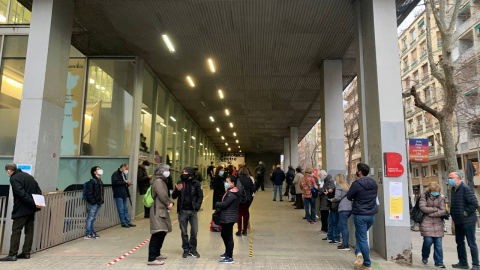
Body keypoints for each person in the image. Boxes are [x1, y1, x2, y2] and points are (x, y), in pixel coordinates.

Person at [0, 163, 42, 262]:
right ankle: (26, 253)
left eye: (7, 172)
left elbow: (21, 193)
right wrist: (37, 202)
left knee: (16, 230)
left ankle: (12, 254)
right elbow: (38, 190)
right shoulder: (29, 177)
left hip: (21, 209)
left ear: (9, 171)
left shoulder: (14, 178)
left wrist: (32, 202)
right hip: (31, 209)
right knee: (29, 230)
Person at [346, 163, 378, 270]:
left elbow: (349, 196)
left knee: (362, 237)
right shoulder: (374, 183)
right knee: (360, 235)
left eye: (356, 169)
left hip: (360, 215)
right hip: (371, 215)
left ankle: (367, 263)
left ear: (359, 172)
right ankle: (358, 253)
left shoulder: (356, 184)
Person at [449, 171, 479, 270]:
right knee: (459, 242)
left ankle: (476, 264)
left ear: (458, 178)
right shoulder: (453, 189)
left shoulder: (465, 188)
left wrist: (465, 213)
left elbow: (474, 203)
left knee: (471, 243)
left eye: (451, 177)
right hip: (458, 221)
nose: (449, 179)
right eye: (449, 177)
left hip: (468, 221)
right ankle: (463, 262)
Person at [172, 167, 204, 258]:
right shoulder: (180, 183)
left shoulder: (196, 183)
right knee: (184, 232)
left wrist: (197, 206)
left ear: (190, 173)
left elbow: (200, 195)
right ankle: (186, 249)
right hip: (183, 211)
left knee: (194, 231)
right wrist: (177, 190)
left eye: (185, 172)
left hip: (193, 211)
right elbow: (174, 196)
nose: (184, 173)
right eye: (183, 172)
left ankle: (193, 249)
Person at [147, 163, 174, 265]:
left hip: (161, 210)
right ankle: (151, 258)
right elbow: (162, 195)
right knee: (157, 233)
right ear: (161, 171)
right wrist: (168, 203)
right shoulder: (158, 181)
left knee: (162, 232)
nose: (168, 172)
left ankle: (157, 253)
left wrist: (169, 202)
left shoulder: (162, 181)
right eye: (167, 170)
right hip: (157, 210)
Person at [419, 182, 446, 268]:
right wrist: (435, 209)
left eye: (437, 191)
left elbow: (443, 211)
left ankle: (439, 262)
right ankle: (425, 256)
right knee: (428, 241)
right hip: (426, 223)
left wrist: (431, 214)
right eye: (434, 191)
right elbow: (423, 208)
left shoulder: (441, 198)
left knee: (438, 244)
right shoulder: (424, 196)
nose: (436, 192)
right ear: (430, 190)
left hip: (438, 223)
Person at [215, 175, 241, 264]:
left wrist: (217, 203)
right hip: (227, 217)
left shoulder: (232, 194)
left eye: (227, 182)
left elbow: (225, 204)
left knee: (228, 237)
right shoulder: (230, 192)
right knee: (224, 235)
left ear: (233, 183)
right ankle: (227, 252)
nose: (226, 183)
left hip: (229, 218)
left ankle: (230, 257)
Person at [330, 174, 352, 251]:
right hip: (349, 208)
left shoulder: (339, 186)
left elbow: (337, 197)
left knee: (343, 227)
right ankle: (345, 243)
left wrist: (332, 200)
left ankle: (345, 244)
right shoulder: (347, 186)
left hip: (343, 208)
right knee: (343, 226)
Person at [111, 164, 135, 228]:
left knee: (125, 209)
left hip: (124, 193)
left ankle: (128, 221)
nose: (127, 170)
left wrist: (128, 183)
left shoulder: (123, 174)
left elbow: (123, 183)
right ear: (122, 168)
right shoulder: (115, 174)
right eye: (126, 169)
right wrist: (124, 182)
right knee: (121, 209)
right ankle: (123, 222)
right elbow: (115, 183)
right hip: (118, 194)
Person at [84, 166, 105, 240]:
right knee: (90, 217)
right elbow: (89, 193)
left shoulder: (99, 181)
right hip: (94, 203)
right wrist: (93, 202)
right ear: (94, 172)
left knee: (94, 218)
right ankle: (88, 233)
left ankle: (92, 232)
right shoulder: (92, 181)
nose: (100, 170)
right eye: (98, 169)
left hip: (98, 202)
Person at [236, 167, 255, 236]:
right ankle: (245, 230)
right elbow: (253, 188)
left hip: (239, 198)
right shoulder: (249, 179)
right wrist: (248, 194)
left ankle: (239, 230)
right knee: (245, 214)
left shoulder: (238, 179)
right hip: (247, 198)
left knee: (239, 214)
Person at [319, 170, 335, 235]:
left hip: (326, 201)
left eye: (320, 176)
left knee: (324, 216)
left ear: (324, 175)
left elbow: (325, 190)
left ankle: (325, 229)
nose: (320, 178)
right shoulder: (326, 181)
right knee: (323, 216)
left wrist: (318, 188)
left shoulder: (329, 181)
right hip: (324, 200)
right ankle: (323, 228)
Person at [211, 166, 225, 232]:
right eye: (221, 170)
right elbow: (216, 187)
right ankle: (215, 225)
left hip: (220, 196)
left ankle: (217, 225)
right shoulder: (217, 178)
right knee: (217, 211)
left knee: (219, 211)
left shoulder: (221, 177)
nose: (223, 171)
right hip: (218, 196)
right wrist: (221, 194)